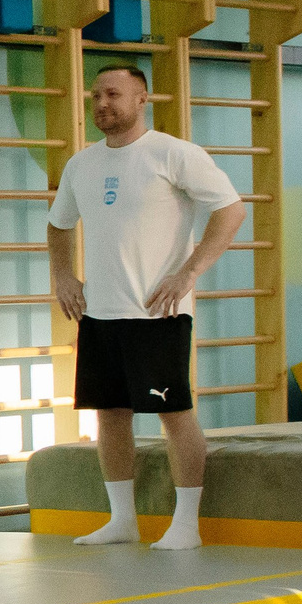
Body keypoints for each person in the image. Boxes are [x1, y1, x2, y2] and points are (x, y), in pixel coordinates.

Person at [46, 63, 247, 551]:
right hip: (101, 314)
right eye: (96, 96)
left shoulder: (173, 154)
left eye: (113, 94)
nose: (102, 104)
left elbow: (231, 210)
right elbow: (58, 224)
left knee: (174, 414)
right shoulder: (82, 163)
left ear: (142, 99)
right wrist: (62, 275)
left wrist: (189, 272)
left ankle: (186, 524)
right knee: (109, 415)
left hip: (157, 314)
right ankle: (122, 520)